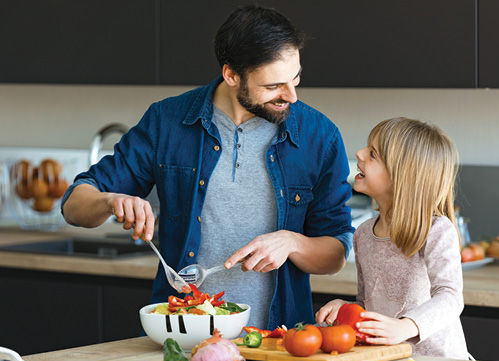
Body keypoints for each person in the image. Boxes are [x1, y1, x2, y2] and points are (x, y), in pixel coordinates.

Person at [61, 5, 354, 330]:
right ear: (231, 75)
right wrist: (109, 200)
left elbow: (335, 255)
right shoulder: (167, 121)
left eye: (296, 78)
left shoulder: (319, 136)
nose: (292, 95)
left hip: (279, 341)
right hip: (181, 334)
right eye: (273, 86)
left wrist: (293, 242)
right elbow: (74, 205)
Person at [315, 117, 469, 359]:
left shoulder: (437, 230)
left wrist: (405, 327)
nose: (359, 153)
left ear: (402, 176)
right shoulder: (364, 234)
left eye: (373, 154)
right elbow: (370, 305)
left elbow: (450, 298)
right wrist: (347, 310)